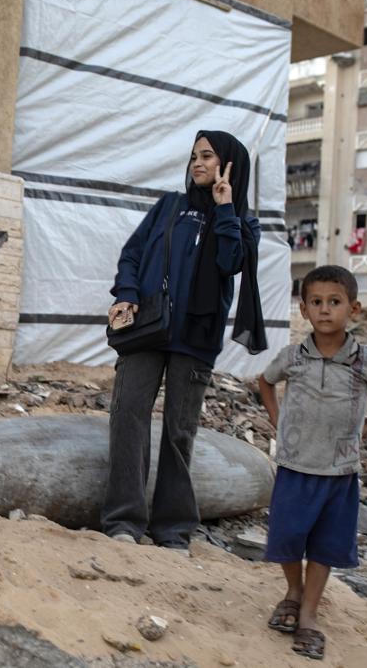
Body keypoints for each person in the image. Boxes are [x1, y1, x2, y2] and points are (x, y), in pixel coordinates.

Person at [101, 130, 265, 550]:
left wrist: (224, 208)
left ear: (230, 164)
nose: (197, 163)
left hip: (195, 337)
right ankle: (124, 521)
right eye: (194, 156)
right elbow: (133, 254)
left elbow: (231, 263)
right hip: (147, 328)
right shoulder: (169, 207)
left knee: (179, 431)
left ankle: (171, 529)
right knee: (127, 418)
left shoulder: (243, 222)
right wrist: (126, 294)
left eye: (208, 156)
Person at [258, 265, 367, 661]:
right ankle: (292, 591)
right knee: (287, 537)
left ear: (353, 309)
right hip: (294, 464)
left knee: (324, 545)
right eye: (317, 303)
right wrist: (278, 419)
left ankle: (308, 614)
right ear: (303, 310)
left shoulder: (363, 360)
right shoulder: (293, 357)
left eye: (334, 302)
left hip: (339, 470)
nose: (325, 310)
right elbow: (265, 381)